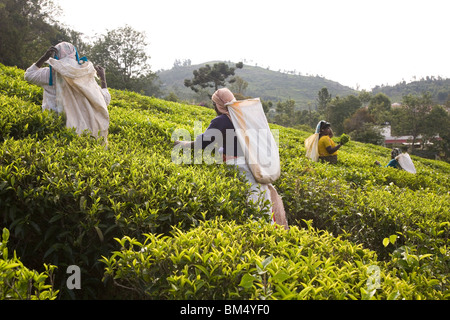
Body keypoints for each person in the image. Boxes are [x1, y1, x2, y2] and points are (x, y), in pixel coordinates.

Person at [174, 88, 288, 229]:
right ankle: (269, 233)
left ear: (219, 105)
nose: (214, 107)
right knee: (262, 200)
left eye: (214, 104)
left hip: (241, 166)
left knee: (252, 202)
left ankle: (258, 235)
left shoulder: (221, 120)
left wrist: (182, 144)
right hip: (255, 164)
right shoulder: (243, 117)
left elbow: (203, 143)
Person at [24, 42, 110, 143]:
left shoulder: (49, 73)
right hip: (83, 131)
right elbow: (104, 100)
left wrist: (44, 58)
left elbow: (28, 75)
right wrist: (103, 78)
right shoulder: (84, 75)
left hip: (54, 126)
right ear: (75, 54)